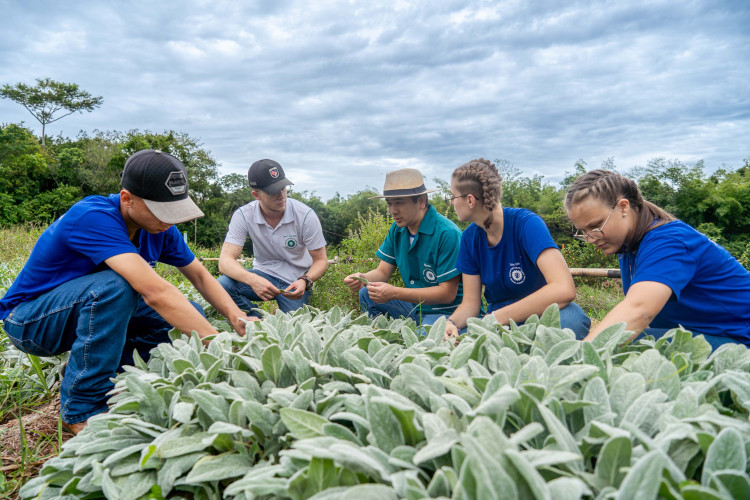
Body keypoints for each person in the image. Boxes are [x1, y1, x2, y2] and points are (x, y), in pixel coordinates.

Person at [0, 149, 254, 435]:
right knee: (117, 285)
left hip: (82, 313)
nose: (169, 221)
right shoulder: (92, 217)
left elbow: (199, 275)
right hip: (32, 322)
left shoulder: (159, 229)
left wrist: (237, 316)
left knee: (188, 316)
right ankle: (80, 408)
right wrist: (215, 342)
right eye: (162, 211)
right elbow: (154, 291)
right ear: (127, 199)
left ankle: (96, 373)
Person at [565, 169, 750, 347]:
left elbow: (638, 310)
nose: (591, 238)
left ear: (623, 207)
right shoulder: (628, 247)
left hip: (739, 339)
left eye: (596, 226)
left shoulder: (668, 241)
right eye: (583, 231)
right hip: (710, 336)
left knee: (632, 345)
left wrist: (578, 360)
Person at [443, 159, 590, 341]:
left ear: (470, 200)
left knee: (571, 320)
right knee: (460, 338)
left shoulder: (527, 224)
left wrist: (497, 318)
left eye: (452, 196)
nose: (450, 203)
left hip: (541, 313)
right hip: (500, 322)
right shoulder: (469, 238)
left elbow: (564, 289)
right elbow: (471, 305)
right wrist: (451, 323)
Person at [344, 168, 462, 325]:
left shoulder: (446, 233)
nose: (393, 211)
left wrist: (395, 293)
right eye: (389, 204)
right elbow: (383, 271)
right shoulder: (398, 229)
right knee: (367, 293)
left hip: (446, 312)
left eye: (399, 203)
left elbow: (447, 294)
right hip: (415, 308)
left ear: (421, 201)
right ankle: (388, 337)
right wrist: (362, 278)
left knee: (422, 343)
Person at [218, 159, 328, 314]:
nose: (281, 195)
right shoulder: (243, 215)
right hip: (263, 273)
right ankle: (257, 323)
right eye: (272, 192)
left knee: (295, 327)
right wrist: (252, 279)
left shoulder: (305, 215)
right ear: (256, 195)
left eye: (283, 188)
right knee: (222, 286)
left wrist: (305, 281)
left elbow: (321, 260)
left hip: (295, 280)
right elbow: (225, 261)